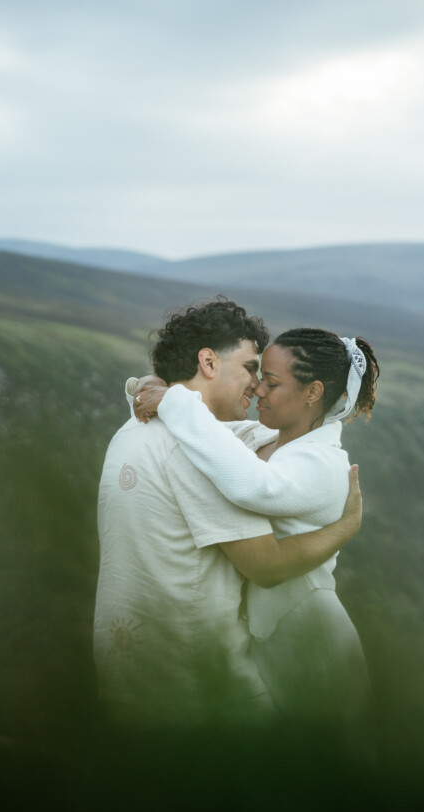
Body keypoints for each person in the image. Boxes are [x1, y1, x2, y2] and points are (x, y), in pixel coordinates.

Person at [93, 300, 363, 727]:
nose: (256, 386)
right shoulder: (203, 457)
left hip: (123, 682)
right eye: (251, 368)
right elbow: (266, 565)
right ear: (208, 362)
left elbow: (256, 439)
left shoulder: (131, 431)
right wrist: (346, 527)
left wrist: (158, 391)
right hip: (202, 693)